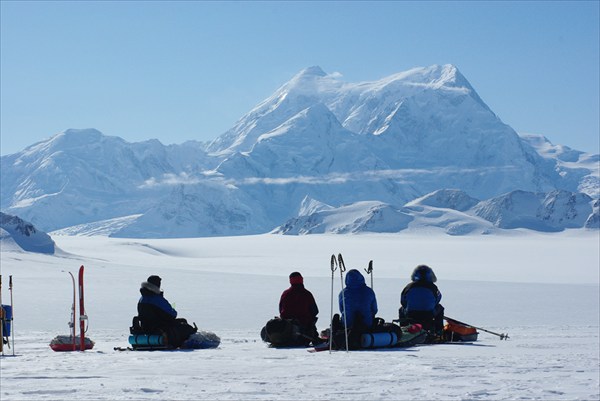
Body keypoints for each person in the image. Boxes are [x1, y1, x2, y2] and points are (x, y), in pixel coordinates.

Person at [136, 275, 196, 348]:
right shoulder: (156, 298)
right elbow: (172, 314)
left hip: (146, 327)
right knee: (184, 325)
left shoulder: (142, 298)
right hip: (159, 327)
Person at [399, 265, 444, 334]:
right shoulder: (433, 287)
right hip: (429, 314)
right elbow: (438, 298)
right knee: (440, 308)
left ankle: (403, 331)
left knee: (401, 310)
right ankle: (439, 331)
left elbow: (403, 301)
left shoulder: (409, 287)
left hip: (411, 314)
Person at [278, 272, 320, 343]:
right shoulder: (307, 294)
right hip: (303, 329)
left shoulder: (285, 294)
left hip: (286, 328)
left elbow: (280, 309)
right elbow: (315, 311)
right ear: (301, 280)